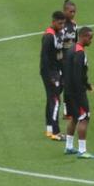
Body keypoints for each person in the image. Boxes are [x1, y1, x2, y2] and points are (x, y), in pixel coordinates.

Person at [63, 27, 94, 159]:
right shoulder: (79, 52)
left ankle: (69, 146)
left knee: (74, 118)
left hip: (68, 90)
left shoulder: (72, 49)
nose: (91, 40)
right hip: (77, 93)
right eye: (90, 38)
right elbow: (78, 74)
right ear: (83, 36)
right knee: (84, 118)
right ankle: (82, 151)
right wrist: (83, 88)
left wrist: (87, 84)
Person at [39, 11, 66, 141]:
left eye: (63, 23)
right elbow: (44, 57)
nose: (62, 25)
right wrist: (50, 75)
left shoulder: (59, 33)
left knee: (51, 99)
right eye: (59, 23)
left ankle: (49, 129)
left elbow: (59, 54)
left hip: (57, 71)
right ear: (53, 21)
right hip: (50, 73)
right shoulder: (49, 36)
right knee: (56, 100)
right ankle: (56, 132)